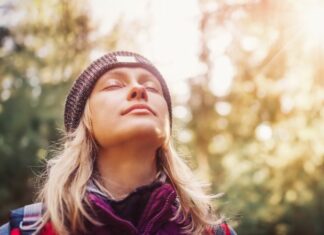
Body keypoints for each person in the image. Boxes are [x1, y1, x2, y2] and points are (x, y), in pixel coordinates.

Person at [0, 51, 237, 235]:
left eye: (152, 87)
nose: (139, 90)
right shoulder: (25, 231)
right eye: (114, 85)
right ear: (85, 122)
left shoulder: (212, 231)